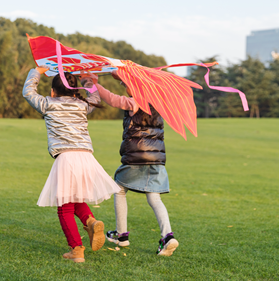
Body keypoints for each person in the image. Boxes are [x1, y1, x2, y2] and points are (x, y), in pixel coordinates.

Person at [22, 65, 121, 263]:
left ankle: (76, 249)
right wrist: (88, 81)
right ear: (74, 90)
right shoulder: (82, 104)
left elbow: (28, 92)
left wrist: (37, 72)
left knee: (64, 207)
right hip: (86, 157)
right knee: (73, 198)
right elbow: (95, 98)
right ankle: (90, 221)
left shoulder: (48, 103)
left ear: (53, 91)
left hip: (66, 157)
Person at [86, 71, 179, 256]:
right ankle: (168, 236)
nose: (125, 87)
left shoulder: (135, 103)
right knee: (154, 197)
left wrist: (91, 83)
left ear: (136, 88)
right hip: (156, 159)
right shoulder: (156, 103)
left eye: (127, 85)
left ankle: (121, 235)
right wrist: (121, 77)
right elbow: (133, 87)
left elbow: (112, 99)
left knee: (119, 189)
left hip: (137, 157)